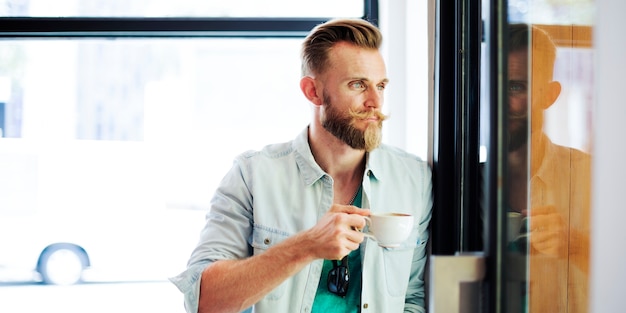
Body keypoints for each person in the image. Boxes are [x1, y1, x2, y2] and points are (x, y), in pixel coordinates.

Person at [169, 18, 433, 313]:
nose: (375, 101)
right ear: (312, 91)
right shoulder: (251, 176)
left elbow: (414, 298)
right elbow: (204, 302)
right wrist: (306, 246)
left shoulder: (415, 180)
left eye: (381, 85)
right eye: (358, 84)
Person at [506, 23, 591, 313]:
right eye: (493, 84)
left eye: (515, 87)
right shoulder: (462, 183)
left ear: (550, 95)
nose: (499, 102)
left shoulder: (590, 177)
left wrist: (577, 247)